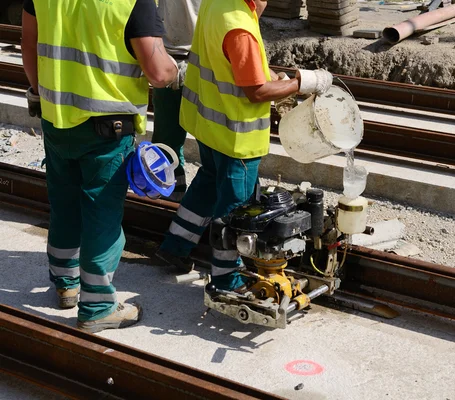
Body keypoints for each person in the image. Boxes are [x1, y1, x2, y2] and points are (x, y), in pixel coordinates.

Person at [21, 0, 184, 333]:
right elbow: (158, 73)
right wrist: (178, 70)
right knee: (101, 216)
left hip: (57, 120)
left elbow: (29, 45)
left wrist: (40, 93)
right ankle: (97, 306)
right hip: (107, 130)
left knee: (64, 205)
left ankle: (66, 283)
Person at [155, 0, 333, 292]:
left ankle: (175, 245)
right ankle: (227, 278)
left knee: (208, 184)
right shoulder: (239, 27)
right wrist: (305, 82)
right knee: (237, 210)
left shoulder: (217, 5)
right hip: (236, 136)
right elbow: (257, 91)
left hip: (209, 123)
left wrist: (264, 73)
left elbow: (230, 65)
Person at [152, 0, 201, 202]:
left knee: (167, 137)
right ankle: (172, 192)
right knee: (167, 140)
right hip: (186, 56)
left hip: (178, 55)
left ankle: (171, 192)